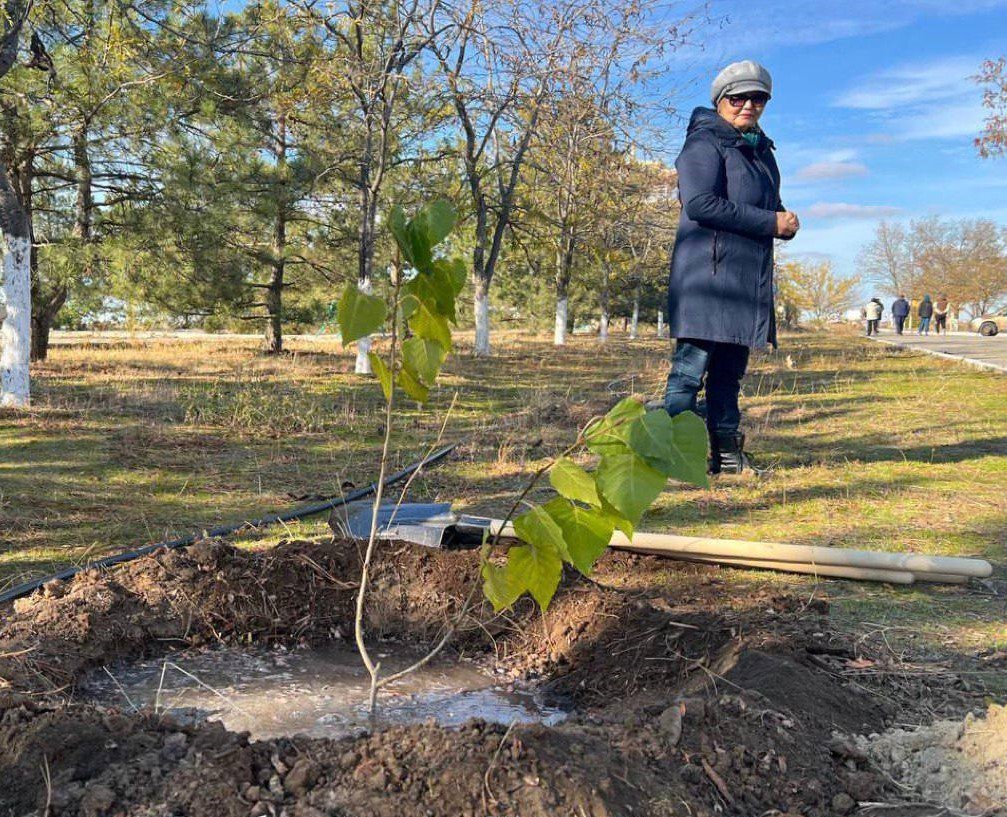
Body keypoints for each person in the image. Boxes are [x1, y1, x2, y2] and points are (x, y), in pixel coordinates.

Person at [665, 60, 799, 475]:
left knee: (728, 377)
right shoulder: (704, 143)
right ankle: (674, 458)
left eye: (757, 98)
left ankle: (727, 458)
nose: (747, 105)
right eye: (737, 97)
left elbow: (762, 207)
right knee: (689, 376)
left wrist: (783, 221)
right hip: (707, 281)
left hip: (745, 283)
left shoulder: (759, 151)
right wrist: (768, 221)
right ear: (720, 101)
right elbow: (701, 203)